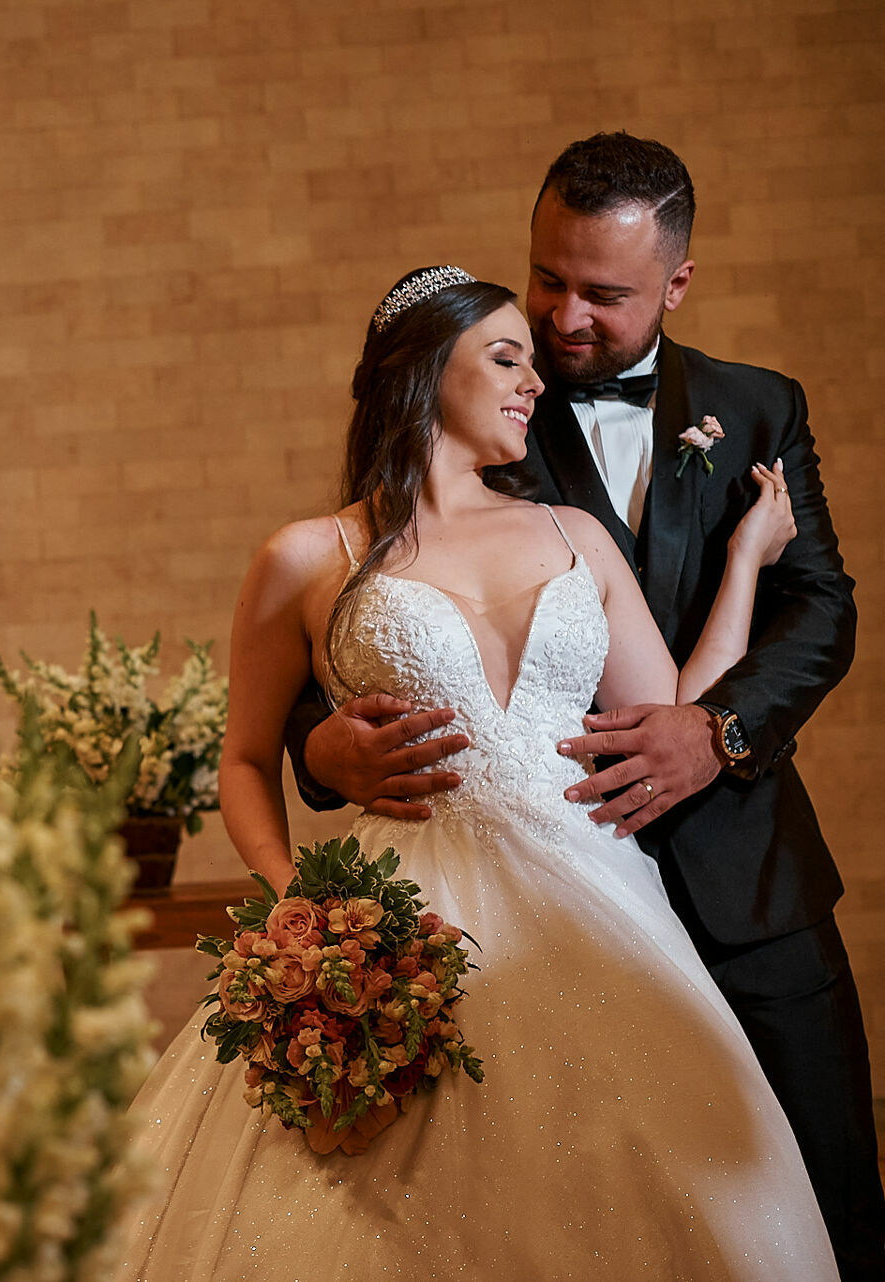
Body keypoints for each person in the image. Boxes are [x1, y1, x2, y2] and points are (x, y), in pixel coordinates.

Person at [114, 266, 835, 1279]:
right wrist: (289, 904)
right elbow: (244, 757)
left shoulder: (571, 533)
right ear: (421, 370)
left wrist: (750, 562)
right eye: (506, 358)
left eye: (532, 366)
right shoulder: (307, 554)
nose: (533, 382)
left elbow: (675, 709)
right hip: (407, 915)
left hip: (601, 909)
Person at [289, 134, 881, 1279]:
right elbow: (353, 617)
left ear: (677, 282)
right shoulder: (481, 398)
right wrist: (323, 753)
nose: (561, 320)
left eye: (601, 294)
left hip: (745, 876)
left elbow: (822, 606)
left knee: (823, 1206)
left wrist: (721, 730)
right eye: (547, 277)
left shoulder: (760, 408)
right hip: (531, 909)